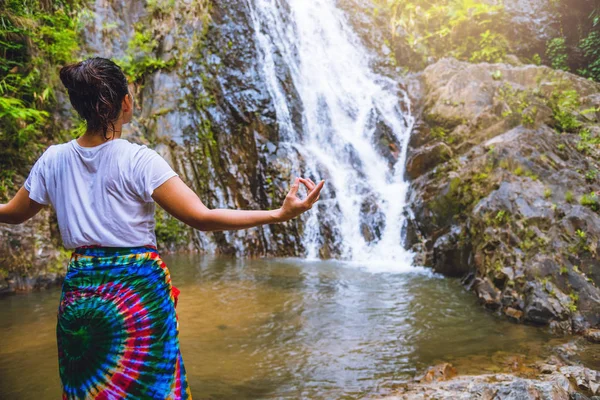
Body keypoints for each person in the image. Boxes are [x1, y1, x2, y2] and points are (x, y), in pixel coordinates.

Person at [0, 57, 324, 399]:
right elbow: (202, 217)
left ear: (79, 106)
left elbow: (12, 213)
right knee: (150, 388)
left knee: (88, 389)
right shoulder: (139, 160)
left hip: (82, 294)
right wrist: (277, 214)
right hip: (137, 298)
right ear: (125, 102)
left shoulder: (53, 160)